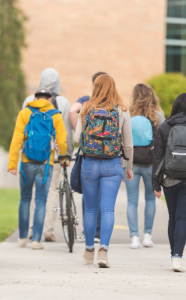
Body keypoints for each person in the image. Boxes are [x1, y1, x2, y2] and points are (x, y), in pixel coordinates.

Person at [74, 74, 134, 268]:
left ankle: (89, 249)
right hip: (112, 164)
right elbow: (129, 145)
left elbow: (77, 138)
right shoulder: (122, 110)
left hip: (89, 164)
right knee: (107, 209)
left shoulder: (86, 108)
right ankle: (103, 252)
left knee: (90, 209)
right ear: (113, 87)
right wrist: (129, 167)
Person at [152, 93, 186, 272]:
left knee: (173, 217)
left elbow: (157, 157)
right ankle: (178, 257)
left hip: (169, 179)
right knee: (183, 217)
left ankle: (173, 254)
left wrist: (156, 183)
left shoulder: (165, 127)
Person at [8, 87, 68, 250]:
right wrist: (62, 157)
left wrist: (12, 163)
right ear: (49, 99)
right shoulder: (55, 115)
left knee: (25, 199)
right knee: (41, 200)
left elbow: (17, 139)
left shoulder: (25, 113)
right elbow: (60, 141)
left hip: (26, 162)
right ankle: (36, 240)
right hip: (46, 164)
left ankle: (22, 238)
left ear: (35, 98)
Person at [22, 68, 74, 242]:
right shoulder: (64, 102)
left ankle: (30, 229)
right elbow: (65, 132)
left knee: (32, 192)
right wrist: (67, 154)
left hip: (30, 156)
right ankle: (48, 231)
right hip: (53, 157)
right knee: (51, 190)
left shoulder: (29, 100)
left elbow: (23, 128)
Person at [125, 83, 165, 249]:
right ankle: (147, 236)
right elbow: (163, 142)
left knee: (131, 201)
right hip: (151, 164)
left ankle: (134, 237)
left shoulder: (127, 114)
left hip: (131, 163)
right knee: (150, 199)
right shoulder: (158, 116)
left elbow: (123, 141)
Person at [69, 71, 106, 243]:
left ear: (93, 85)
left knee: (88, 195)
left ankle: (88, 232)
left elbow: (71, 111)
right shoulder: (115, 105)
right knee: (103, 196)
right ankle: (100, 234)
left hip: (88, 155)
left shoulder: (86, 103)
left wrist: (81, 134)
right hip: (108, 157)